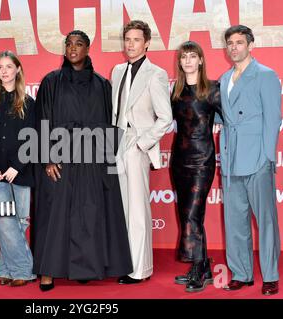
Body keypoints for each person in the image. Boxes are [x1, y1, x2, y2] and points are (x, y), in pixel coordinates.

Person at [33, 30, 133, 291]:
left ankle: (86, 267)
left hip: (92, 157)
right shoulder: (51, 82)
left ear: (88, 49)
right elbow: (42, 120)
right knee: (54, 215)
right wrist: (47, 158)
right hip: (60, 156)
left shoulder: (102, 85)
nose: (73, 48)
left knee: (89, 213)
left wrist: (105, 160)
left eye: (79, 44)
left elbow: (109, 124)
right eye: (69, 44)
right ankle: (47, 271)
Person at [218, 25, 281, 295]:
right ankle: (241, 273)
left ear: (250, 45)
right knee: (234, 221)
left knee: (265, 221)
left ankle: (270, 275)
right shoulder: (223, 78)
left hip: (257, 157)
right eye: (230, 43)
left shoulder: (265, 75)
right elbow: (223, 116)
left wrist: (267, 156)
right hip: (231, 157)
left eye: (239, 42)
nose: (234, 47)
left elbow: (274, 118)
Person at [111, 20, 172, 284]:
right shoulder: (116, 70)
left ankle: (141, 269)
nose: (131, 44)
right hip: (117, 146)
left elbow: (165, 117)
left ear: (146, 42)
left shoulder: (156, 73)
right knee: (122, 209)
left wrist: (142, 143)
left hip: (137, 146)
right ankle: (126, 263)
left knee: (137, 210)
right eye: (127, 39)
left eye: (136, 40)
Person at [0, 51, 36, 287]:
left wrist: (17, 166)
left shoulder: (29, 102)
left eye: (9, 66)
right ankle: (24, 270)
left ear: (18, 70)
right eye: (0, 67)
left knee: (20, 221)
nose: (4, 71)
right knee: (4, 220)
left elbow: (34, 138)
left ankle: (5, 268)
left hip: (20, 172)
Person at [170, 41, 222, 292]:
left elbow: (231, 120)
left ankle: (199, 268)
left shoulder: (213, 90)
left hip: (202, 160)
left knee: (192, 214)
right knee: (189, 216)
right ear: (179, 62)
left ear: (201, 60)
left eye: (193, 56)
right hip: (179, 161)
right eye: (184, 57)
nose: (188, 60)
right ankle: (203, 268)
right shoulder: (175, 92)